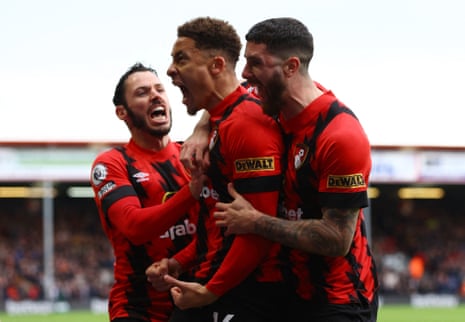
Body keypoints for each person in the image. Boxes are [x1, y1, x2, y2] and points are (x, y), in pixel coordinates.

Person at [186, 17, 379, 321]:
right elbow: (227, 103)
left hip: (339, 301)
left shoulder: (340, 136)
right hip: (285, 295)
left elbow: (337, 238)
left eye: (255, 63)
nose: (245, 74)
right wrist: (203, 126)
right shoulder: (271, 107)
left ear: (290, 67)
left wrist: (256, 221)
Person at [145, 17, 288, 322]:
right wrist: (178, 262)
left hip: (245, 293)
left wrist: (211, 290)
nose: (170, 70)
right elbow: (218, 224)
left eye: (181, 59)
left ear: (216, 65)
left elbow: (258, 230)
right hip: (217, 283)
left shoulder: (247, 125)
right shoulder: (219, 121)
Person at [89, 62, 204, 322]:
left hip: (196, 298)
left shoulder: (191, 155)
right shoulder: (112, 163)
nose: (155, 95)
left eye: (160, 89)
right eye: (142, 92)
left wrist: (178, 262)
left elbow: (214, 230)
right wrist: (191, 192)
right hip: (138, 306)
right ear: (122, 112)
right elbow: (134, 227)